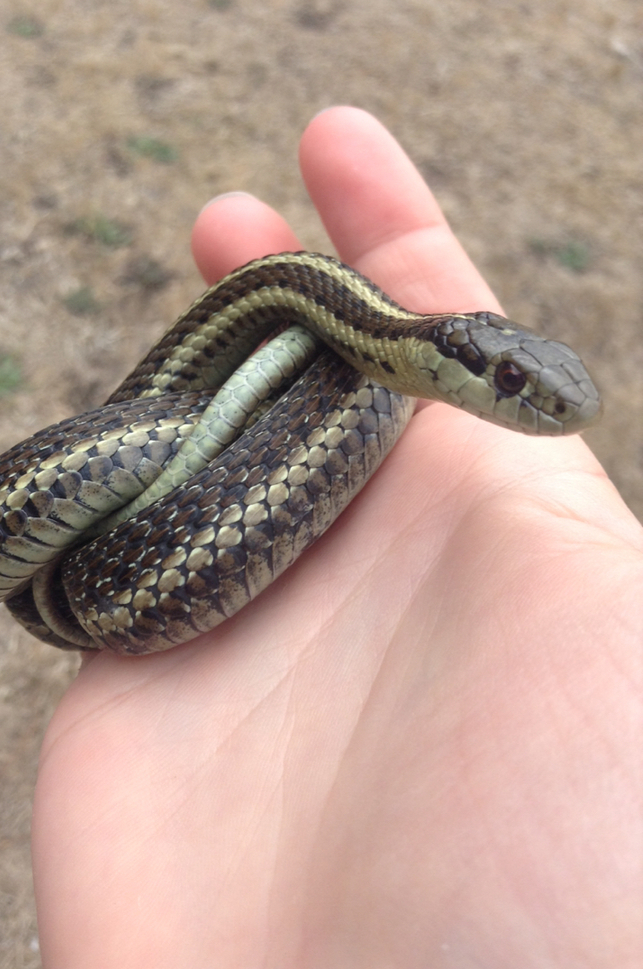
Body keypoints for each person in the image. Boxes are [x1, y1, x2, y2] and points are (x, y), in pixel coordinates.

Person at [32, 107, 643, 967]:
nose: (535, 408)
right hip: (147, 525)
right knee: (141, 452)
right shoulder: (374, 344)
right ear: (450, 359)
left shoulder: (377, 361)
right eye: (510, 382)